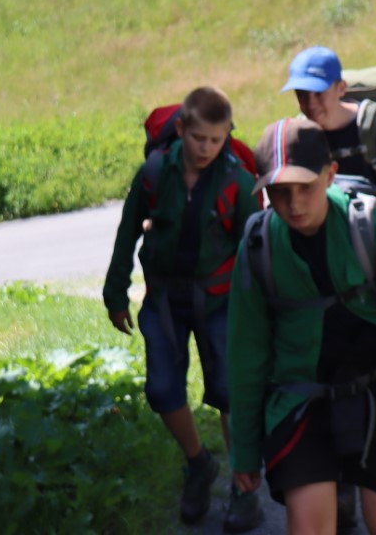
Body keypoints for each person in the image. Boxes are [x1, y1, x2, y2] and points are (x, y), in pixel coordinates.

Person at [228, 118, 376, 535]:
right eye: (279, 192)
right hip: (299, 397)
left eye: (305, 187)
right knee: (309, 528)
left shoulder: (368, 226)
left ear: (330, 175)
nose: (294, 204)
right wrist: (245, 450)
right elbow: (246, 352)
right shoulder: (257, 245)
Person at [103, 86, 261, 527]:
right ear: (181, 130)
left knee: (230, 393)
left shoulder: (237, 183)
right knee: (162, 391)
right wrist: (115, 292)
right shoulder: (154, 173)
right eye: (198, 138)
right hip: (165, 301)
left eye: (216, 140)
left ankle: (244, 486)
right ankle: (198, 463)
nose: (206, 148)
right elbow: (127, 231)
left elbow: (256, 249)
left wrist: (261, 312)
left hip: (221, 303)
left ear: (226, 135)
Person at [279, 45, 376, 223]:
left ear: (341, 88)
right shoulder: (298, 135)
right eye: (301, 94)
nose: (310, 103)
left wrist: (356, 212)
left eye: (319, 93)